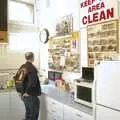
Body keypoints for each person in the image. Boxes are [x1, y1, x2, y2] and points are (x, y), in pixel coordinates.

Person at [22, 52, 41, 120]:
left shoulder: (23, 66)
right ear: (33, 58)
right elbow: (32, 82)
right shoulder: (32, 68)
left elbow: (18, 80)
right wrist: (28, 92)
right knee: (33, 116)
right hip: (31, 96)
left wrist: (22, 92)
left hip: (25, 96)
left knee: (28, 115)